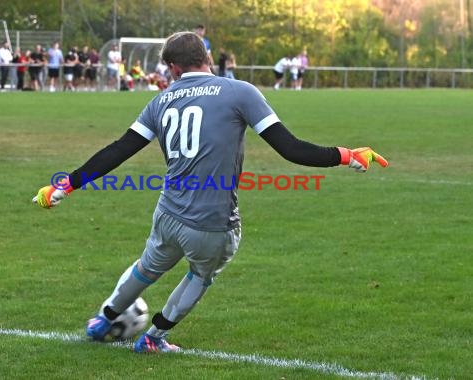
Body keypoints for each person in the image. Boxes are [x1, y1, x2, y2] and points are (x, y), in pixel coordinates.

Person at [32, 31, 388, 353]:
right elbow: (290, 149)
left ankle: (102, 320)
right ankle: (153, 339)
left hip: (168, 214)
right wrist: (346, 155)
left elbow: (118, 150)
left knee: (146, 269)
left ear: (172, 68)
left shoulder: (161, 101)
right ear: (205, 56)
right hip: (213, 221)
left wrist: (65, 185)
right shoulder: (239, 92)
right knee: (200, 275)